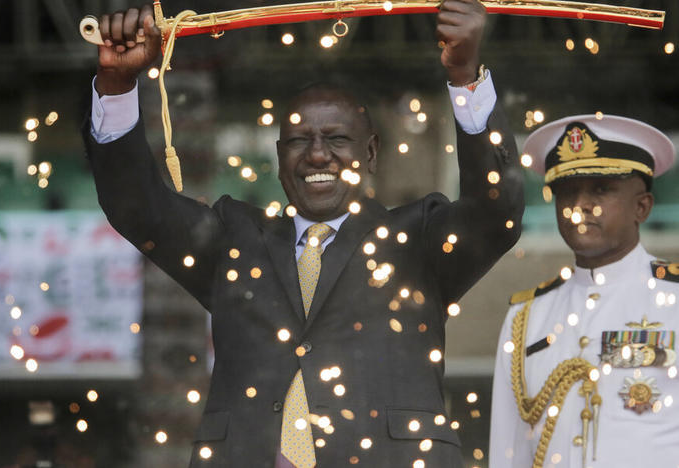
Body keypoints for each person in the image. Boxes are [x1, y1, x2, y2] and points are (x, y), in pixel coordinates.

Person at [83, 1, 523, 466]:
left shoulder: (416, 240)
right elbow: (137, 209)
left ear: (370, 153)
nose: (317, 156)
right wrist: (116, 86)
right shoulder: (235, 241)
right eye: (299, 140)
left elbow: (498, 214)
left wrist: (465, 77)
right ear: (278, 157)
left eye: (336, 139)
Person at [489, 114, 679, 468]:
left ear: (642, 207)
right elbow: (508, 448)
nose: (580, 203)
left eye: (601, 189)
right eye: (567, 191)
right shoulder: (526, 317)